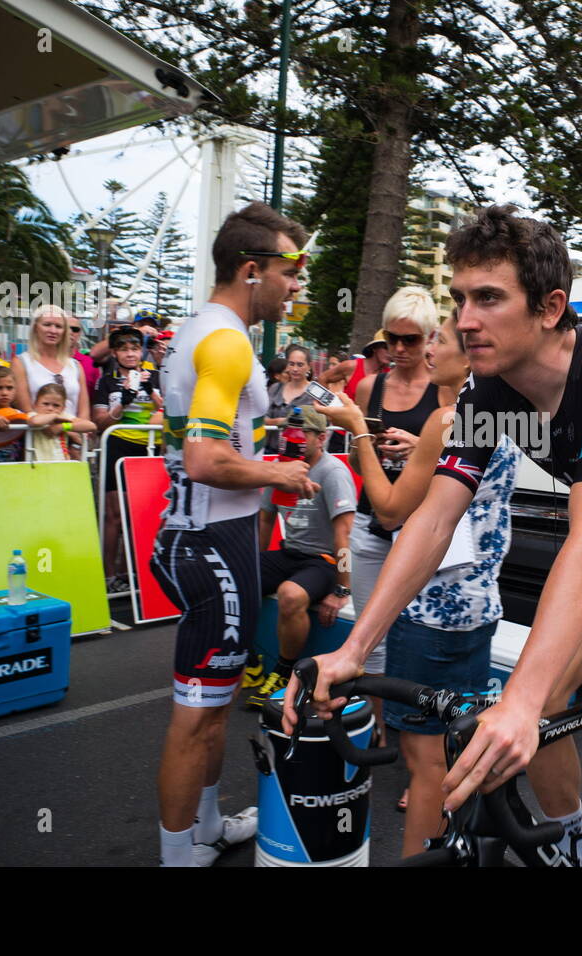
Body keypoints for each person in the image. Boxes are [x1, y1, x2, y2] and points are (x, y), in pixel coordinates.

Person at [285, 205, 582, 868]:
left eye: (488, 298)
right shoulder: (489, 394)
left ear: (548, 306)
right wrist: (354, 649)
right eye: (459, 299)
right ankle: (569, 848)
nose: (464, 320)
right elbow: (434, 517)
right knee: (536, 707)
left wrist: (520, 702)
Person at [312, 312, 521, 855]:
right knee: (458, 747)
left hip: (428, 615)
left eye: (442, 340)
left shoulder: (445, 421)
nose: (430, 350)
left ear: (471, 355)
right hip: (478, 609)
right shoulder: (500, 413)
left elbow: (385, 511)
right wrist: (418, 456)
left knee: (424, 762)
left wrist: (357, 427)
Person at [148, 200, 317, 867]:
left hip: (220, 540)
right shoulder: (223, 342)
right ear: (252, 270)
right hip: (209, 547)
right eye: (291, 270)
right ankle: (175, 855)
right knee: (197, 717)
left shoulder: (216, 335)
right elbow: (205, 459)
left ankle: (208, 828)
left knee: (216, 709)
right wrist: (276, 471)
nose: (296, 284)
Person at [347, 287, 442, 721]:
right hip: (372, 522)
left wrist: (420, 449)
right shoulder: (371, 386)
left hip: (420, 526)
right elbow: (354, 454)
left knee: (418, 631)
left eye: (411, 340)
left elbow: (461, 455)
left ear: (429, 339)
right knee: (369, 633)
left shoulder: (443, 391)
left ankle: (417, 727)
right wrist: (372, 449)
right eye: (393, 339)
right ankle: (374, 721)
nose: (399, 350)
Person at [246, 406, 357, 706]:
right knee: (237, 574)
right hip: (290, 553)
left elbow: (345, 534)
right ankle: (252, 662)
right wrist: (253, 566)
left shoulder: (333, 472)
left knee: (290, 595)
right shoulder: (283, 466)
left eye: (301, 433)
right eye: (287, 432)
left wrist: (342, 588)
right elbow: (266, 518)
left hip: (324, 560)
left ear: (320, 437)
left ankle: (283, 672)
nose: (291, 438)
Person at [93, 325, 163, 591]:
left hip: (149, 448)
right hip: (118, 446)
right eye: (124, 349)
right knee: (115, 516)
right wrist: (122, 400)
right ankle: (109, 575)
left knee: (143, 514)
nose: (130, 354)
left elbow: (166, 410)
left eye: (135, 348)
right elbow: (99, 422)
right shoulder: (106, 380)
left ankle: (132, 573)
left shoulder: (152, 374)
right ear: (114, 352)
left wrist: (150, 389)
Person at [11, 305, 92, 448]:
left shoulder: (75, 366)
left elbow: (84, 410)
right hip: (37, 442)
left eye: (58, 326)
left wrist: (72, 434)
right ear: (36, 327)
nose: (53, 330)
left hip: (73, 444)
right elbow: (26, 410)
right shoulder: (21, 363)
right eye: (47, 324)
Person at [263, 344, 314, 454]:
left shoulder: (316, 392)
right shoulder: (275, 388)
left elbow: (324, 423)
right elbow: (262, 417)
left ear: (309, 366)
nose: (295, 369)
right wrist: (277, 422)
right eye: (291, 364)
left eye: (300, 365)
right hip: (271, 451)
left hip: (301, 453)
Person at [25, 382, 96, 461]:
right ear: (35, 404)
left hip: (61, 463)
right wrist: (54, 416)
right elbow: (35, 422)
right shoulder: (33, 415)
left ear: (63, 407)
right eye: (45, 404)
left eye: (56, 405)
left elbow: (91, 426)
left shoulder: (63, 416)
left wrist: (62, 427)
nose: (50, 408)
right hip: (36, 464)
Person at [319, 329, 390, 398]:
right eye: (386, 347)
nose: (390, 352)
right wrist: (328, 403)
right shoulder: (351, 366)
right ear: (374, 348)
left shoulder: (390, 374)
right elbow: (323, 378)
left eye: (392, 348)